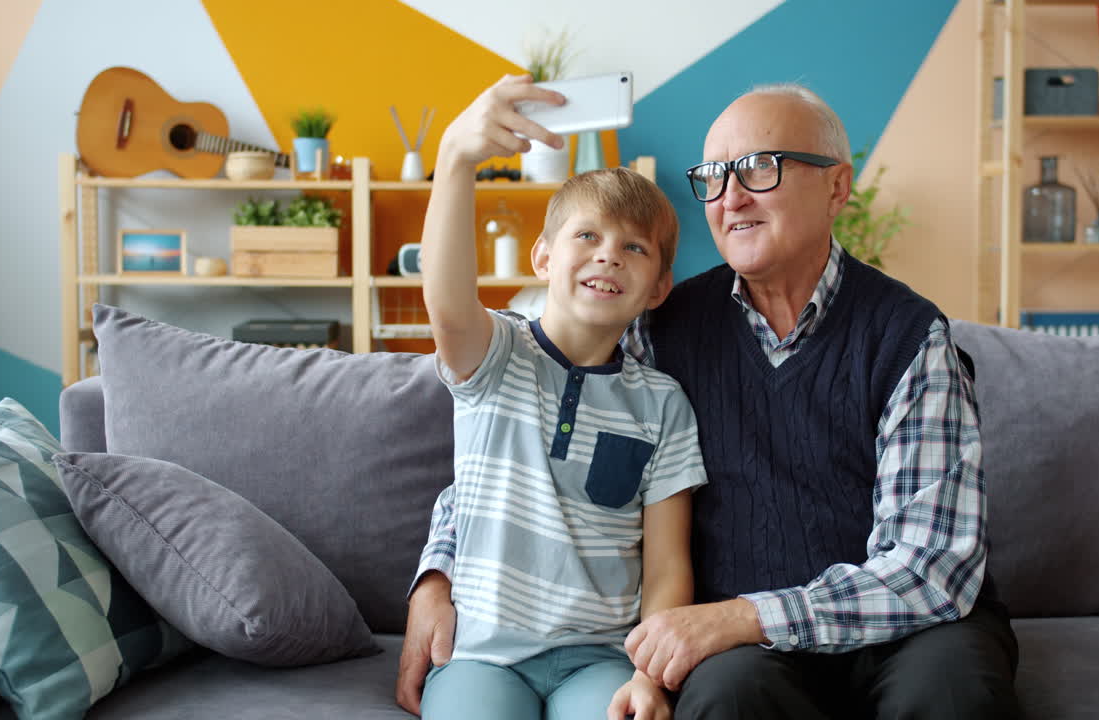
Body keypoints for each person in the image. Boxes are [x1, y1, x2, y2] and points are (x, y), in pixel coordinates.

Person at [400, 81, 1022, 719]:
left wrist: (749, 615)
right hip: (746, 646)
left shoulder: (909, 337)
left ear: (837, 187)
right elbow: (519, 447)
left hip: (903, 634)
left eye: (759, 168)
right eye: (715, 177)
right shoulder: (659, 327)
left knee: (952, 697)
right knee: (723, 701)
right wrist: (438, 575)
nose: (731, 197)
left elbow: (931, 566)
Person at [408, 74, 707, 720]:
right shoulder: (494, 356)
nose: (609, 257)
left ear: (658, 287)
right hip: (481, 655)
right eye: (587, 237)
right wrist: (457, 158)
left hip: (599, 658)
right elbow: (447, 300)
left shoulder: (663, 405)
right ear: (543, 257)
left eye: (634, 248)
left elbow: (665, 567)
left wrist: (649, 678)